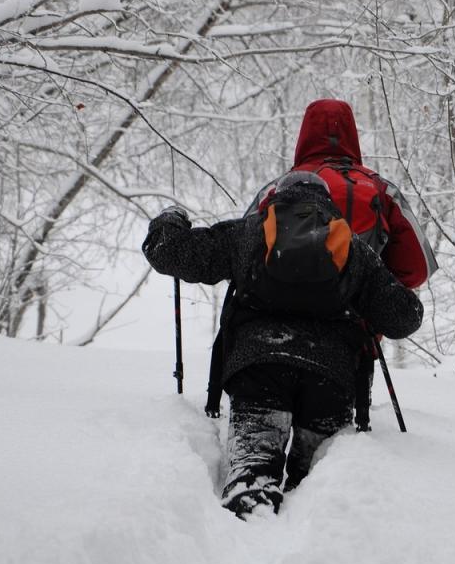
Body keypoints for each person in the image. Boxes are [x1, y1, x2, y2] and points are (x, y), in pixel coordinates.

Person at [142, 172, 424, 519]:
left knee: (253, 472)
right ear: (327, 206)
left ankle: (248, 518)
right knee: (319, 487)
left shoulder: (249, 232)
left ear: (276, 199)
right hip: (330, 381)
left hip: (258, 370)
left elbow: (169, 253)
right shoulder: (351, 248)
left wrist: (169, 221)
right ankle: (316, 534)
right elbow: (405, 318)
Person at [206, 98, 438, 430]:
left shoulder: (277, 191)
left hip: (264, 345)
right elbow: (416, 270)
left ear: (304, 135)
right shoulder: (382, 190)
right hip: (348, 346)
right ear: (353, 136)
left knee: (257, 459)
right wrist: (367, 281)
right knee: (326, 464)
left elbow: (246, 258)